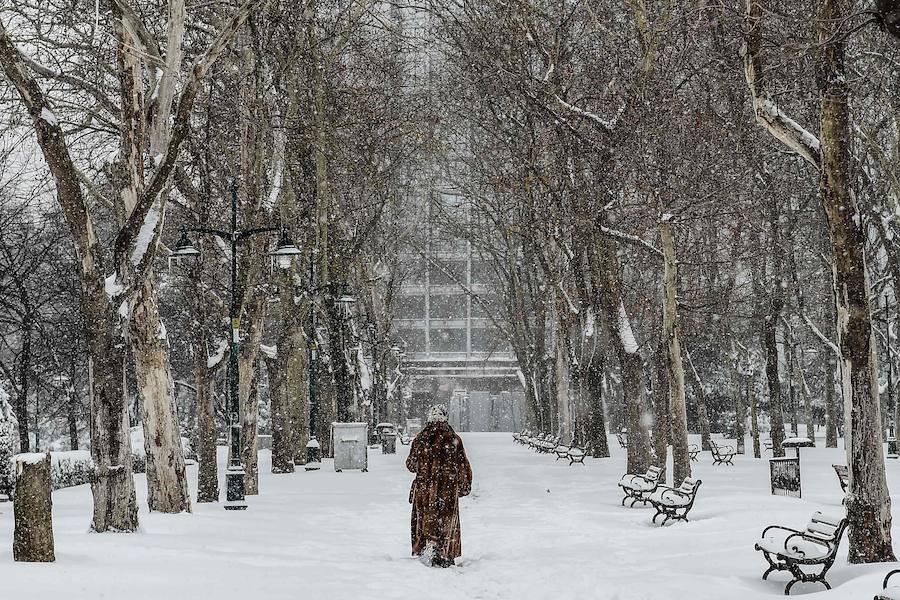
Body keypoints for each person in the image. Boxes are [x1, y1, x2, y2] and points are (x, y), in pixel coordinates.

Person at [406, 404, 473, 567]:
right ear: (446, 418)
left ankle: (428, 545)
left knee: (426, 518)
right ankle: (445, 551)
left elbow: (411, 465)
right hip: (447, 489)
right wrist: (464, 485)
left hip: (425, 488)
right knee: (446, 520)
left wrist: (425, 467)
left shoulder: (420, 438)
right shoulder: (454, 439)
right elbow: (463, 465)